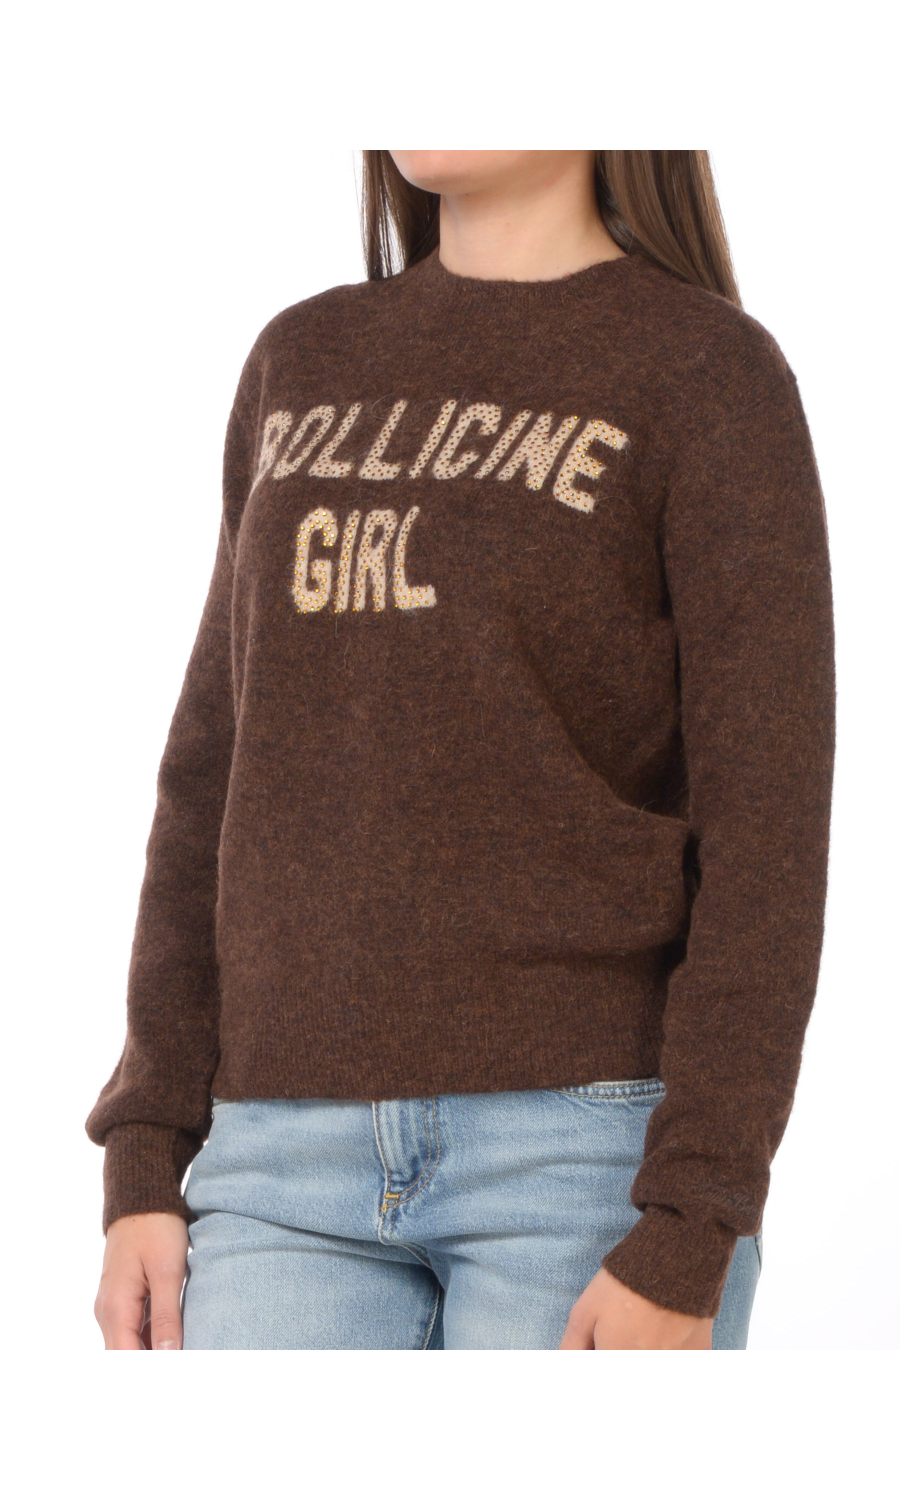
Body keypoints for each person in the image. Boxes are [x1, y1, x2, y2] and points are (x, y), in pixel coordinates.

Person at [87, 150, 835, 1350]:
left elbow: (768, 834)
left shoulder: (707, 370)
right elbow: (213, 772)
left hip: (586, 1158)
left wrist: (694, 1215)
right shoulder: (301, 358)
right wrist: (145, 1148)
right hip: (279, 1160)